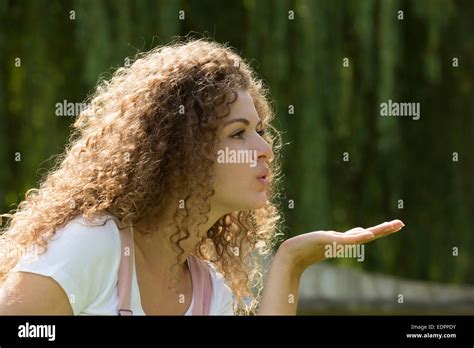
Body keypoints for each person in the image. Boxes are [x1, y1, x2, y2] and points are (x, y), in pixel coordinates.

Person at [0, 38, 404, 316]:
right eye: (238, 133)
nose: (265, 149)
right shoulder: (93, 245)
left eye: (260, 130)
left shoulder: (208, 292)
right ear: (181, 152)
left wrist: (291, 263)